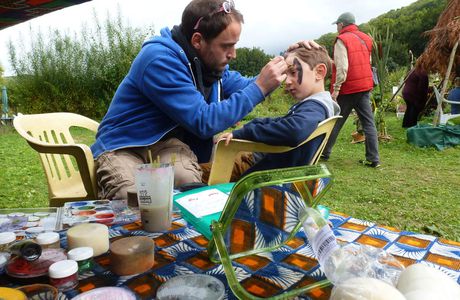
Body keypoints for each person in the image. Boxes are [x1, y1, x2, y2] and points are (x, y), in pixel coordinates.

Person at [91, 0, 288, 200]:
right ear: (197, 40)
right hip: (124, 146)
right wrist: (261, 87)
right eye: (226, 46)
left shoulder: (208, 65)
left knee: (190, 188)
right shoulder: (159, 60)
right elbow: (203, 121)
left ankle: (183, 232)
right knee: (132, 197)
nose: (233, 54)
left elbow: (248, 86)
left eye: (234, 45)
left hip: (166, 146)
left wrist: (289, 62)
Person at [210, 45, 340, 181]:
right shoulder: (318, 105)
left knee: (194, 178)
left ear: (319, 72)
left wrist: (245, 132)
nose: (287, 81)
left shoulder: (315, 107)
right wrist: (253, 125)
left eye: (293, 72)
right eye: (286, 74)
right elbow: (283, 122)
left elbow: (294, 130)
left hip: (259, 174)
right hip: (262, 164)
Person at [321, 12, 381, 168]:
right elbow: (367, 62)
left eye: (337, 25)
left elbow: (342, 68)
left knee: (336, 121)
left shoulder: (342, 40)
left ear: (342, 24)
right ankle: (373, 158)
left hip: (348, 88)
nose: (336, 28)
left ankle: (324, 153)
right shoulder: (366, 38)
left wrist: (336, 89)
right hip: (364, 87)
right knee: (369, 123)